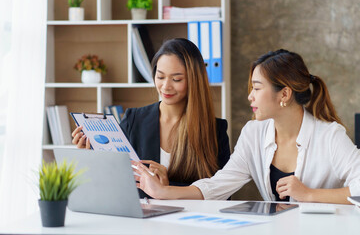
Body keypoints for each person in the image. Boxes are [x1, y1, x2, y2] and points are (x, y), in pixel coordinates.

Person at [133, 49, 360, 204]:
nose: (250, 96)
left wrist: (309, 195)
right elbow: (219, 185)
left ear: (285, 94)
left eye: (257, 88)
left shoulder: (330, 136)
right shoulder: (254, 134)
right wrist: (164, 191)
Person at [72, 38, 231, 197]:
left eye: (176, 79)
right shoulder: (134, 119)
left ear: (194, 80)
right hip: (143, 219)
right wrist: (89, 156)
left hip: (191, 219)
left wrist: (167, 188)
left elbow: (222, 193)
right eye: (160, 77)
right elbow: (113, 180)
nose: (166, 86)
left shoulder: (215, 130)